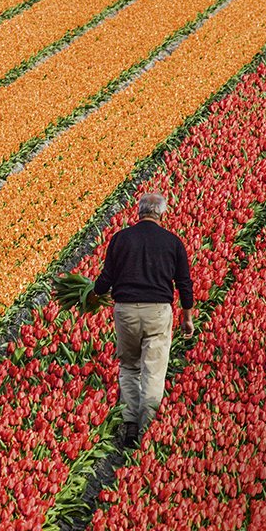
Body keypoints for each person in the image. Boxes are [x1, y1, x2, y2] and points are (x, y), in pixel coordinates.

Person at [93, 192, 194, 449]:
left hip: (126, 311)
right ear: (162, 214)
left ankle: (129, 424)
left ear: (138, 212)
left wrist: (93, 294)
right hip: (158, 312)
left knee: (129, 367)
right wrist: (187, 318)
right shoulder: (173, 242)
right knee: (154, 371)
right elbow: (184, 283)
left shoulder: (121, 239)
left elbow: (106, 278)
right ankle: (146, 427)